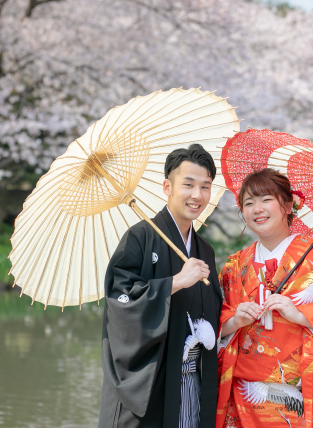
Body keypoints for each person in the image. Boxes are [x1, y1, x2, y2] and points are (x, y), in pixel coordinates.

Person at [216, 169, 313, 428]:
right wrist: (234, 321)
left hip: (300, 398)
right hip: (241, 398)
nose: (257, 209)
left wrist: (300, 314)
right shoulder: (234, 265)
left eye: (266, 199)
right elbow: (214, 318)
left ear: (287, 205)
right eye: (248, 203)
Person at [99, 144, 223, 428]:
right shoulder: (139, 238)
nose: (197, 195)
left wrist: (229, 323)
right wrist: (175, 282)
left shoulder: (204, 250)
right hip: (149, 384)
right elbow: (120, 303)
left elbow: (207, 316)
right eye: (188, 184)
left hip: (191, 383)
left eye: (205, 187)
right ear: (167, 186)